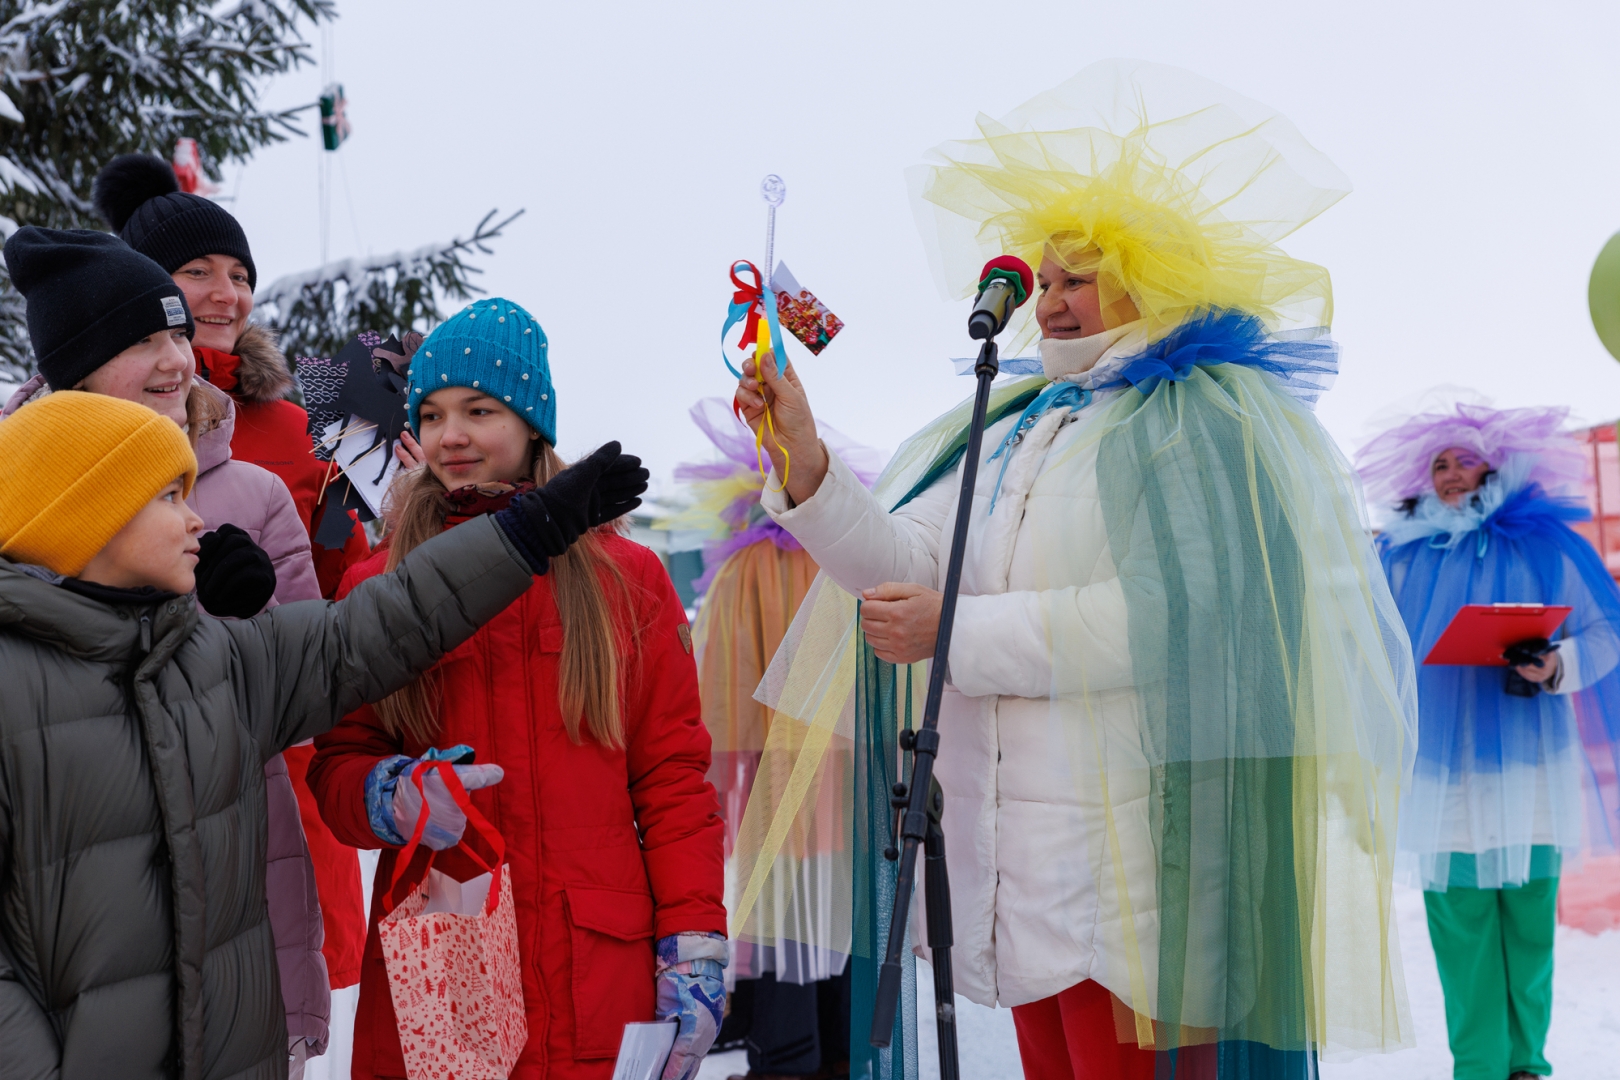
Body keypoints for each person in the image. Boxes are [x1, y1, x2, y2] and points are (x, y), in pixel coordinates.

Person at [728, 60, 1417, 1080]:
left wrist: (953, 636)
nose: (1044, 303)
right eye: (1041, 282)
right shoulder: (1017, 421)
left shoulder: (1194, 422)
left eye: (1074, 280)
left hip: (1135, 877)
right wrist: (807, 461)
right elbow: (911, 559)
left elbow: (1173, 617)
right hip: (1017, 869)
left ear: (1151, 278)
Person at [0, 385, 645, 1078]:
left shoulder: (214, 660)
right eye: (167, 497)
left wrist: (528, 532)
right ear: (86, 517)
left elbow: (376, 627)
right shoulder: (13, 686)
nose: (196, 519)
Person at [307, 299, 727, 1080]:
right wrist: (392, 794)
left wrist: (694, 942)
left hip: (596, 962)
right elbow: (337, 763)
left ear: (533, 423)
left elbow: (672, 777)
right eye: (431, 414)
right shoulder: (380, 584)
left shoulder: (625, 579)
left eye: (479, 410)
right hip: (442, 957)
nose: (450, 435)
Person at [0, 224, 346, 1073]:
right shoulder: (15, 488)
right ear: (77, 367)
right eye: (142, 341)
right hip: (75, 919)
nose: (176, 361)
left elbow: (313, 685)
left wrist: (244, 615)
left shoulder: (254, 491)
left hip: (236, 886)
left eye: (178, 336)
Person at [1356, 400, 1620, 1080]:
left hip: (1531, 771)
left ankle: (1526, 1064)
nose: (1449, 474)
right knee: (1461, 928)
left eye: (1464, 461)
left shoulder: (1547, 545)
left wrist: (1555, 663)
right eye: (1438, 464)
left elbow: (1606, 632)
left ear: (1497, 467)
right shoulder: (1399, 556)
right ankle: (1478, 1067)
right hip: (1441, 780)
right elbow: (1371, 649)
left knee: (1530, 926)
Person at [663, 399, 883, 1080]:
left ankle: (790, 1053)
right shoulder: (847, 555)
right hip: (850, 781)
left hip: (775, 782)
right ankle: (841, 1050)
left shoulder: (743, 568)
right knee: (842, 917)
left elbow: (722, 697)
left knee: (786, 921)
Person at [91, 152, 373, 597]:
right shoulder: (83, 414)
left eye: (240, 277)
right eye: (198, 271)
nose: (227, 295)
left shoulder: (300, 433)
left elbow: (349, 594)